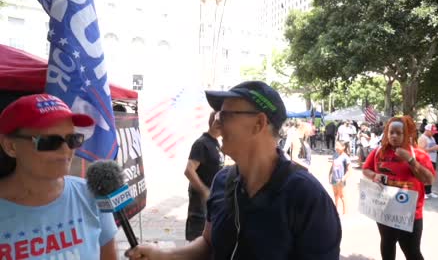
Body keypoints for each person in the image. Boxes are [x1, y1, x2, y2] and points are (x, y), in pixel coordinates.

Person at [127, 81, 342, 260]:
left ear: (259, 123)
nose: (216, 124)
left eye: (226, 116)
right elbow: (208, 243)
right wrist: (163, 256)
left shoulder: (307, 197)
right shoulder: (222, 181)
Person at [0, 94, 118, 259]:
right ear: (10, 146)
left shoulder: (91, 194)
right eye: (49, 141)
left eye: (73, 139)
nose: (65, 150)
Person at [362, 116, 436, 260]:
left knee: (412, 252)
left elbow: (429, 180)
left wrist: (410, 160)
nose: (394, 136)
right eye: (391, 132)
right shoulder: (379, 151)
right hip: (384, 210)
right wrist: (374, 176)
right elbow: (366, 169)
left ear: (406, 134)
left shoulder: (418, 154)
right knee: (387, 245)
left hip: (410, 214)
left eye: (398, 133)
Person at [184, 111, 223, 241]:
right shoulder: (202, 143)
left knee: (207, 233)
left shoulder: (215, 143)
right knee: (197, 234)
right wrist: (205, 191)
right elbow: (189, 171)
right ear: (215, 123)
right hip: (201, 198)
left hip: (211, 197)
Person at [418, 124, 438, 199]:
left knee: (430, 176)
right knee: (424, 176)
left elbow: (432, 147)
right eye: (432, 131)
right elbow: (420, 150)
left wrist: (437, 148)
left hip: (432, 159)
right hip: (425, 160)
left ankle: (428, 192)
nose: (434, 133)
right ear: (427, 130)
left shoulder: (431, 137)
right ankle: (423, 192)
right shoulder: (422, 138)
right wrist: (433, 149)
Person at [329, 140, 352, 215]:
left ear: (343, 147)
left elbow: (349, 171)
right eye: (336, 145)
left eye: (338, 146)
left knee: (342, 196)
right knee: (335, 195)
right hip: (334, 179)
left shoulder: (345, 157)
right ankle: (336, 211)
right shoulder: (335, 154)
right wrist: (330, 174)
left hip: (340, 180)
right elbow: (333, 166)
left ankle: (345, 213)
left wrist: (343, 178)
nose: (336, 147)